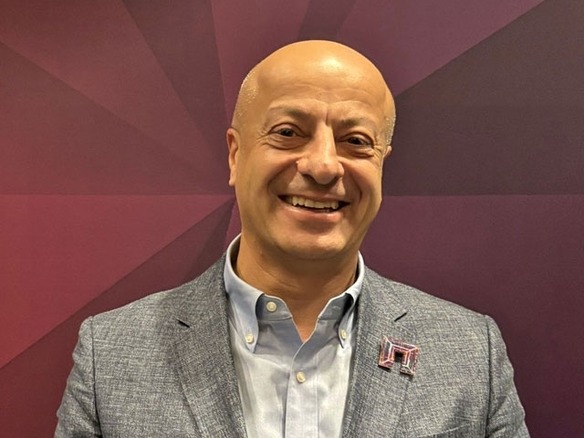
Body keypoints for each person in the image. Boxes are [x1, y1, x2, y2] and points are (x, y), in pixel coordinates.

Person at [56, 40, 529, 437]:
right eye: (288, 132)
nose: (323, 166)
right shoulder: (111, 354)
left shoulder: (470, 352)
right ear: (235, 155)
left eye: (356, 140)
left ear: (382, 162)